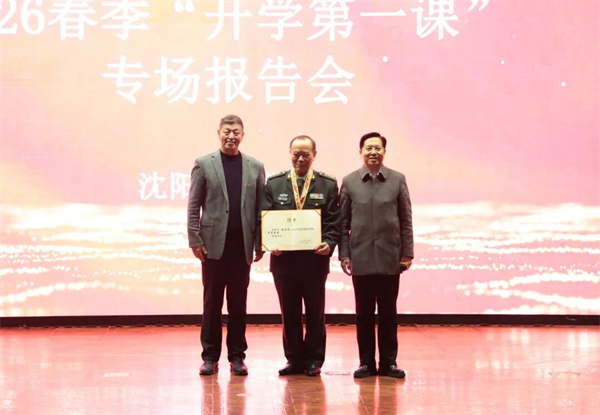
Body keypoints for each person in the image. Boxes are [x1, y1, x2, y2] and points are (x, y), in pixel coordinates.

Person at [187, 114, 265, 376]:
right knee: (212, 304)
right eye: (227, 131)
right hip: (212, 247)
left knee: (238, 305)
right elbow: (193, 205)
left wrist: (260, 241)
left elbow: (260, 208)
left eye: (236, 132)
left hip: (241, 247)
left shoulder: (255, 166)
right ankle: (210, 357)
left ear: (242, 135)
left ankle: (237, 357)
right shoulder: (204, 164)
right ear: (219, 133)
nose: (231, 136)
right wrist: (194, 238)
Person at [261, 135, 341, 377]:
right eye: (296, 153)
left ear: (314, 155)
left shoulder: (327, 184)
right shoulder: (274, 184)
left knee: (315, 312)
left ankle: (314, 360)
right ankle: (294, 359)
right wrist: (270, 243)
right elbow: (264, 217)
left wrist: (329, 242)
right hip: (283, 262)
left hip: (314, 261)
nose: (300, 158)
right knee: (290, 313)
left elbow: (333, 221)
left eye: (306, 154)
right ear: (289, 153)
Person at [339, 132, 414, 379]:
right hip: (360, 259)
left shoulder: (397, 180)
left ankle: (389, 363)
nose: (373, 152)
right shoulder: (349, 182)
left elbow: (406, 220)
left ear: (384, 151)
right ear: (360, 151)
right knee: (363, 315)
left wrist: (407, 253)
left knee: (388, 313)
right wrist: (344, 254)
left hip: (390, 258)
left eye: (377, 148)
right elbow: (343, 224)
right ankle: (366, 363)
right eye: (368, 148)